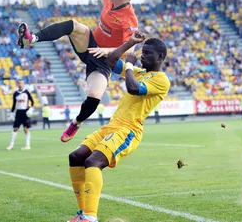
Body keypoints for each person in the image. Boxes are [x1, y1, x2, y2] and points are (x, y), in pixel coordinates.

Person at [17, 0, 139, 143]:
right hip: (90, 45)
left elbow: (131, 48)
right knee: (73, 25)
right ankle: (31, 39)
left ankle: (76, 122)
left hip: (104, 61)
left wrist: (107, 51)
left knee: (95, 95)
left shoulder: (129, 19)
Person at [66, 31, 170, 222]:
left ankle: (90, 217)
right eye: (142, 52)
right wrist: (130, 42)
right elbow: (112, 60)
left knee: (93, 162)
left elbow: (133, 88)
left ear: (160, 57)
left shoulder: (161, 80)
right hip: (112, 126)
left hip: (128, 130)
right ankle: (83, 213)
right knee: (76, 157)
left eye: (147, 53)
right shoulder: (140, 72)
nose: (142, 56)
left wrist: (129, 64)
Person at [7, 80, 34, 150]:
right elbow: (14, 103)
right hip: (18, 112)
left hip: (25, 112)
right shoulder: (15, 93)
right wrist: (12, 111)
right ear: (17, 84)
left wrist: (30, 108)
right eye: (19, 83)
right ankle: (11, 145)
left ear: (23, 84)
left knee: (26, 129)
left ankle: (28, 145)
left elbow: (32, 101)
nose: (20, 84)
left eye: (21, 83)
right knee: (15, 128)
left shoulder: (27, 92)